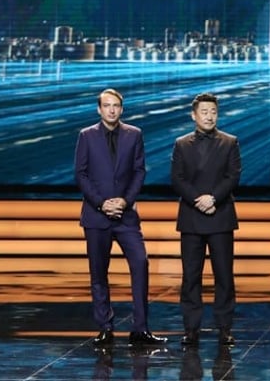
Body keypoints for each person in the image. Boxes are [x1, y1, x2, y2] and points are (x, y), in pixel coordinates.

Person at [74, 88, 166, 347]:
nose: (112, 110)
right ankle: (105, 327)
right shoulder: (86, 136)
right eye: (107, 105)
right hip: (96, 215)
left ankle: (141, 328)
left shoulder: (134, 134)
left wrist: (124, 201)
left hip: (126, 216)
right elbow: (80, 174)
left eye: (116, 105)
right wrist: (102, 204)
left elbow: (139, 171)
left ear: (122, 109)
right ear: (99, 109)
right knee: (98, 273)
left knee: (141, 263)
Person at [171, 92, 242, 347]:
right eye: (204, 112)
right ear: (194, 115)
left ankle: (225, 329)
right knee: (191, 277)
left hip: (220, 217)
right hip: (191, 219)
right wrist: (198, 200)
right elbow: (177, 179)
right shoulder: (181, 144)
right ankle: (191, 329)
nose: (209, 116)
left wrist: (213, 199)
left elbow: (233, 176)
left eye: (213, 111)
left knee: (224, 276)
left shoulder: (230, 142)